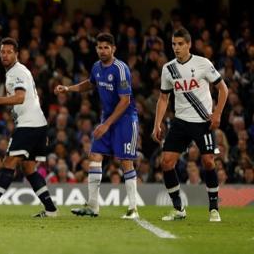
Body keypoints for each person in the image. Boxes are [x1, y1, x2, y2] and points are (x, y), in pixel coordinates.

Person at [0, 38, 58, 217]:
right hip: (37, 124)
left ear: (16, 53)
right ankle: (51, 210)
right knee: (29, 168)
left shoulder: (17, 72)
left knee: (9, 163)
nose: (5, 55)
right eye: (2, 52)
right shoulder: (18, 72)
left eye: (9, 52)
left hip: (29, 125)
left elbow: (20, 97)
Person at [55, 33, 140, 219]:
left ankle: (133, 208)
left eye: (106, 47)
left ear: (113, 49)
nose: (102, 51)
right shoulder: (96, 67)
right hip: (107, 119)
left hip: (125, 119)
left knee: (125, 161)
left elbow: (125, 101)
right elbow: (90, 84)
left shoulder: (121, 68)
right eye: (100, 47)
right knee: (94, 156)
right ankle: (93, 206)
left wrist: (107, 124)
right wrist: (69, 89)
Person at [152, 28, 228, 222]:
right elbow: (163, 98)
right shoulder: (168, 68)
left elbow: (223, 89)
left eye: (180, 44)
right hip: (180, 122)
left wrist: (217, 114)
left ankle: (214, 209)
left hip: (203, 122)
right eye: (173, 44)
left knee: (209, 161)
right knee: (166, 162)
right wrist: (157, 124)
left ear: (189, 44)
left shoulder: (203, 63)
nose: (176, 48)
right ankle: (179, 209)